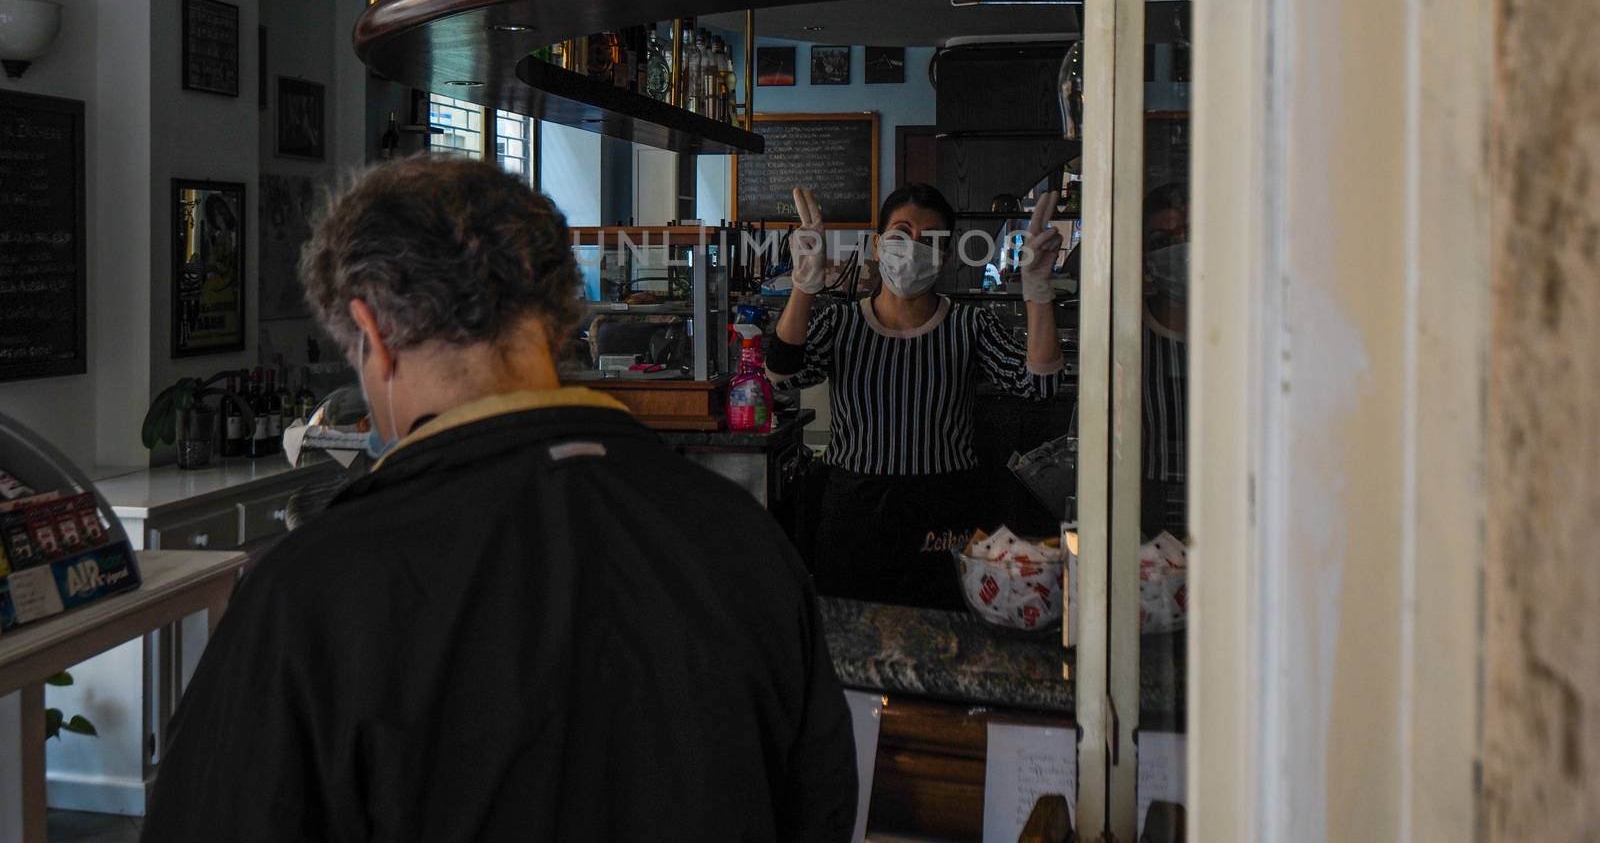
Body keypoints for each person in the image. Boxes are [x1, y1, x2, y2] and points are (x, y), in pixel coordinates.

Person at [142, 157, 856, 843]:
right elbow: (818, 808)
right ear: (561, 315)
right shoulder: (741, 536)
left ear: (373, 335)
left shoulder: (310, 593)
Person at [767, 183, 1066, 609]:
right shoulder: (841, 322)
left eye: (929, 239)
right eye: (901, 232)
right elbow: (780, 375)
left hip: (944, 511)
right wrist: (804, 285)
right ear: (876, 245)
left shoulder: (969, 325)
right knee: (851, 638)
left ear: (945, 255)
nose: (912, 247)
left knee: (943, 632)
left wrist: (1037, 290)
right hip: (855, 508)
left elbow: (1039, 384)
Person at [1141, 181, 1188, 537]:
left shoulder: (1241, 333)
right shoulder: (1126, 332)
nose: (1179, 249)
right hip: (1143, 496)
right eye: (1160, 241)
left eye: (1188, 235)